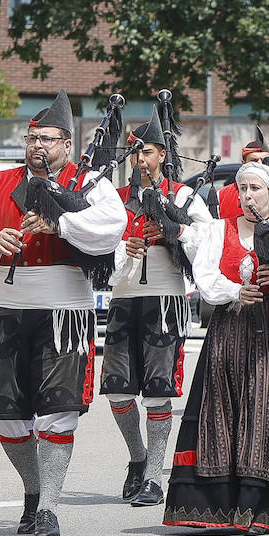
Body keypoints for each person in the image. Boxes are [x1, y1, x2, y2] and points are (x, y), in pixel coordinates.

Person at [0, 90, 127, 536]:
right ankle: (32, 491)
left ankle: (49, 508)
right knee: (6, 413)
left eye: (48, 139)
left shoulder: (89, 183)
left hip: (65, 312)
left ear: (66, 145)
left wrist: (60, 223)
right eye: (33, 138)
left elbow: (112, 229)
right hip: (9, 310)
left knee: (56, 409)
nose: (38, 146)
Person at [163, 161, 269, 532]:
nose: (247, 195)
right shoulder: (218, 230)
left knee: (267, 411)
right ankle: (220, 505)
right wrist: (234, 291)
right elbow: (206, 278)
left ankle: (258, 502)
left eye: (255, 188)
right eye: (242, 189)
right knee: (222, 410)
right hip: (229, 329)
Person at [102, 115, 211, 507]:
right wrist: (122, 248)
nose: (141, 160)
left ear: (162, 155)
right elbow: (97, 246)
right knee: (117, 391)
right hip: (124, 297)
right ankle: (138, 456)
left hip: (165, 298)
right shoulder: (113, 198)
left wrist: (175, 232)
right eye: (135, 154)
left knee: (158, 391)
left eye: (147, 152)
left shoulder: (183, 196)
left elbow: (207, 240)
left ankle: (153, 478)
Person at [216, 128, 269, 219]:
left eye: (264, 161)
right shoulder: (222, 195)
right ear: (244, 163)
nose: (260, 165)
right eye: (254, 160)